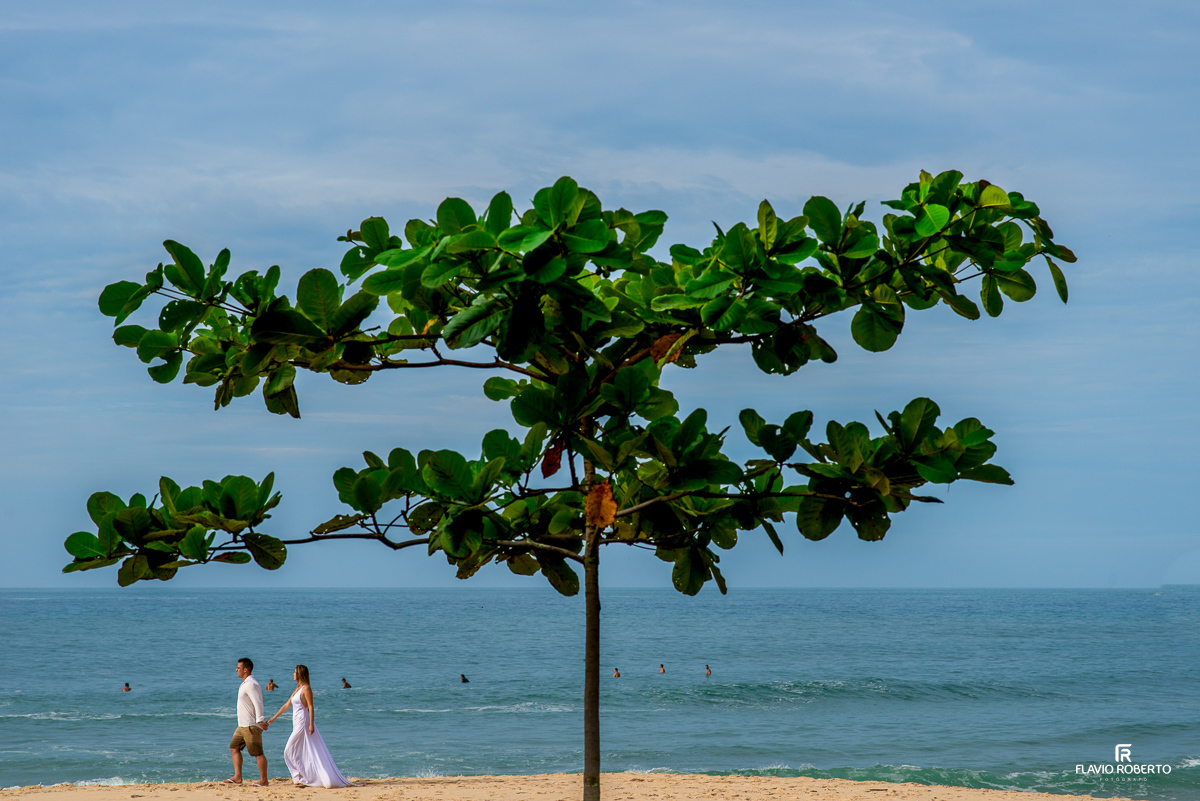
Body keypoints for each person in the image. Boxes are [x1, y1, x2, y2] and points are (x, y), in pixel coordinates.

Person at [268, 665, 356, 788]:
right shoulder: (297, 689)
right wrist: (273, 718)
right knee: (301, 751)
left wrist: (311, 724)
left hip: (303, 722)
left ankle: (298, 777)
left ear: (300, 674)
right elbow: (287, 705)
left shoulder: (306, 688)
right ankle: (302, 778)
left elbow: (311, 706)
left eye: (294, 672)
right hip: (296, 722)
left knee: (288, 750)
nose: (293, 674)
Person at [226, 657, 269, 786]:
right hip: (242, 725)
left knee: (258, 753)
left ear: (245, 670)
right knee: (234, 747)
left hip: (251, 725)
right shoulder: (245, 683)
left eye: (238, 668)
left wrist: (260, 720)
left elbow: (258, 703)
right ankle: (238, 777)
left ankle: (264, 780)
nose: (236, 670)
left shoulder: (251, 684)